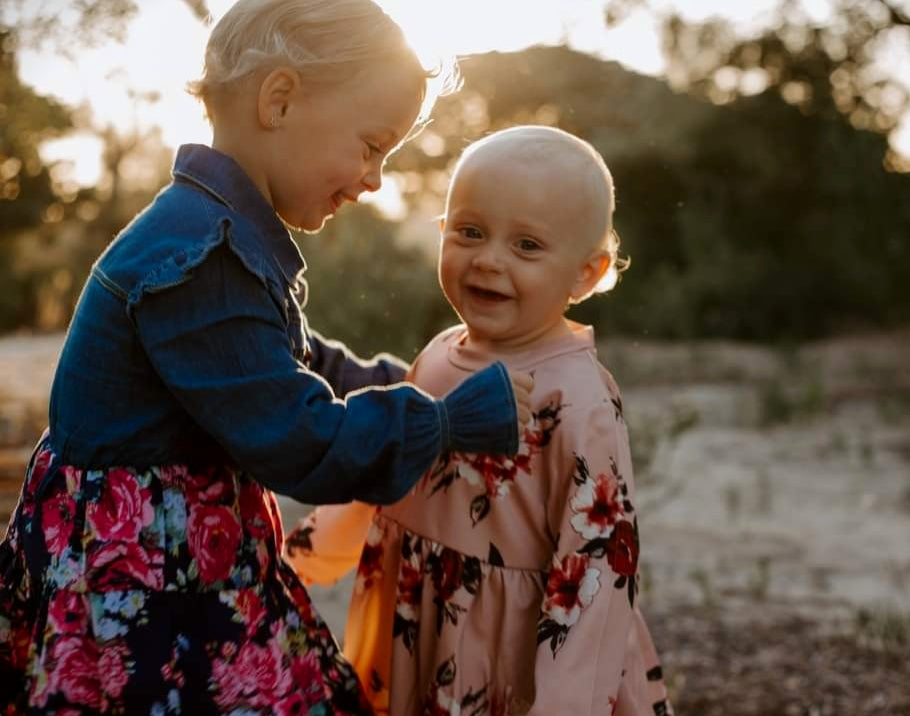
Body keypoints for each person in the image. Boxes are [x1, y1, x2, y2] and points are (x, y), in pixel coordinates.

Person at [0, 1, 533, 713]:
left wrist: (416, 377)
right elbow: (297, 437)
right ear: (279, 100)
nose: (374, 178)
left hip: (177, 558)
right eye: (371, 145)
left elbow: (300, 358)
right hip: (141, 579)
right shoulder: (199, 259)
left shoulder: (213, 234)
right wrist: (442, 422)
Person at [284, 125, 673, 715]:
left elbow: (596, 563)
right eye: (470, 232)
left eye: (527, 246)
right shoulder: (439, 354)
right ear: (442, 234)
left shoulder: (580, 399)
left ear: (585, 274)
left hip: (512, 652)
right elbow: (394, 458)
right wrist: (308, 555)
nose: (489, 259)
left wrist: (564, 704)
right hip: (417, 616)